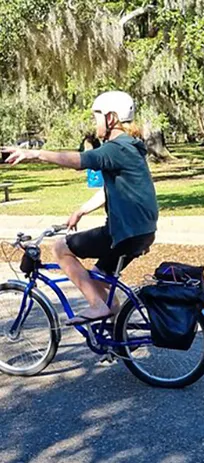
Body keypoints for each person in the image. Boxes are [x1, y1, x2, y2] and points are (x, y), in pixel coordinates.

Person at [3, 91, 157, 325]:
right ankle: (113, 318)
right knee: (97, 277)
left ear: (111, 118)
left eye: (97, 116)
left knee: (60, 248)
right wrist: (81, 211)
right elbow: (112, 191)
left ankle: (98, 306)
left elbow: (78, 161)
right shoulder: (130, 147)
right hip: (141, 232)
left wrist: (34, 153)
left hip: (124, 233)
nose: (95, 123)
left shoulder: (116, 148)